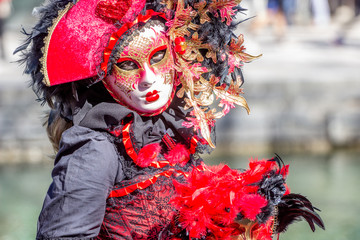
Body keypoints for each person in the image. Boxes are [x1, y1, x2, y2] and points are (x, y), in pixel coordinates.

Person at [16, 0, 324, 239]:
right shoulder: (95, 149)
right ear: (102, 77)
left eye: (158, 56)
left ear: (176, 52)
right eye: (126, 65)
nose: (148, 79)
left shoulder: (170, 126)